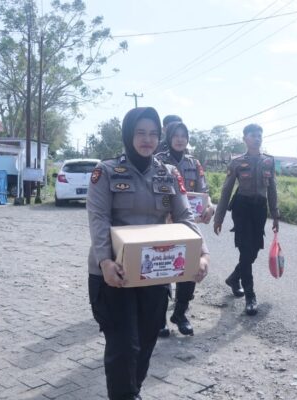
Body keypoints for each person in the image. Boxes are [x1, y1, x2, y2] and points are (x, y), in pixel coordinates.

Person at [86, 107, 210, 400]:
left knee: (145, 340)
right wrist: (105, 260)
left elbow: (185, 216)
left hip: (155, 272)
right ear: (129, 134)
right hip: (113, 273)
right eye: (140, 133)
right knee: (123, 344)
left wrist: (201, 253)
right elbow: (98, 218)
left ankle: (133, 390)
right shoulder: (105, 171)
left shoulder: (169, 174)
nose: (147, 139)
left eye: (153, 134)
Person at [213, 123, 280, 316]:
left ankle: (234, 278)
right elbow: (226, 191)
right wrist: (219, 217)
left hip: (260, 208)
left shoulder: (269, 161)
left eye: (259, 135)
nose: (257, 138)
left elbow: (272, 189)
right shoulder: (236, 162)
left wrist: (275, 214)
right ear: (245, 138)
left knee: (254, 250)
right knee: (245, 250)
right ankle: (250, 297)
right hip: (242, 208)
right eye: (253, 135)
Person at [155, 121, 214, 337]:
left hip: (188, 227)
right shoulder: (158, 162)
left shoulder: (194, 163)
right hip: (163, 226)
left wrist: (210, 208)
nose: (180, 139)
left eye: (183, 135)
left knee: (189, 270)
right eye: (175, 135)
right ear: (168, 138)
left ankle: (180, 313)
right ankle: (159, 318)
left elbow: (204, 192)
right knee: (162, 272)